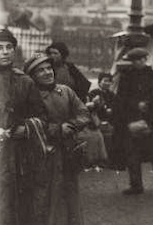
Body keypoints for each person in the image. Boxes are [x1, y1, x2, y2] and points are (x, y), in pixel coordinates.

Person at [0, 29, 49, 225]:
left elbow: (42, 117)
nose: (5, 52)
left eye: (9, 47)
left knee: (19, 206)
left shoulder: (25, 81)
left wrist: (27, 128)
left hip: (19, 155)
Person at [23, 51, 89, 225]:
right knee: (47, 197)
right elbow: (33, 123)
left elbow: (83, 113)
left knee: (71, 195)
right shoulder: (31, 97)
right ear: (32, 76)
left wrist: (72, 125)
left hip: (68, 152)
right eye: (41, 70)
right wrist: (58, 129)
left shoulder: (65, 91)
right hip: (44, 154)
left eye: (49, 68)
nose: (47, 72)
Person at [113, 47, 153, 195]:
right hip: (132, 120)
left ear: (145, 59)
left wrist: (149, 105)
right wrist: (135, 105)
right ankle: (136, 185)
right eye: (134, 60)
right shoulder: (126, 77)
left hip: (151, 121)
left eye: (140, 59)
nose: (138, 63)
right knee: (132, 153)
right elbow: (121, 99)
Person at [86, 72, 116, 167]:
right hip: (95, 120)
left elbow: (115, 108)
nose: (107, 83)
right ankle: (101, 160)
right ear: (99, 82)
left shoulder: (111, 95)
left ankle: (109, 159)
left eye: (109, 81)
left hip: (109, 121)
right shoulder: (93, 93)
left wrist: (111, 110)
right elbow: (88, 109)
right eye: (105, 81)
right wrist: (95, 104)